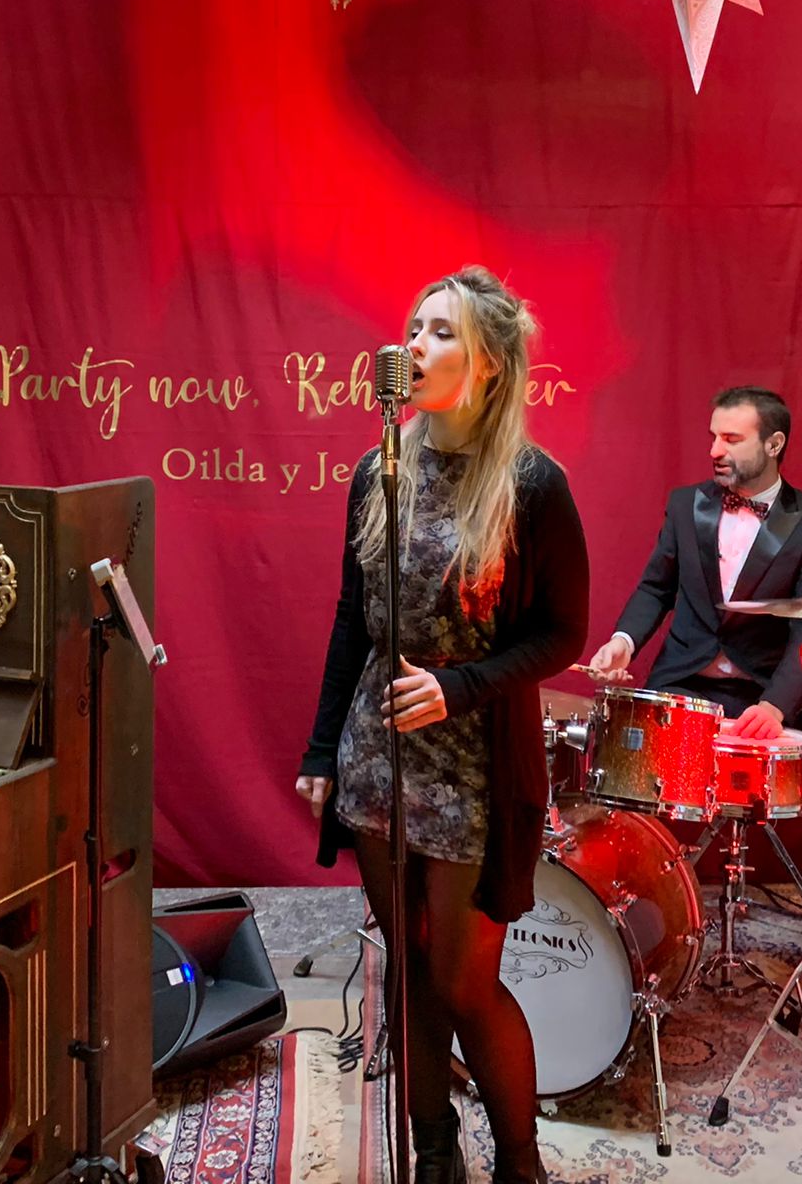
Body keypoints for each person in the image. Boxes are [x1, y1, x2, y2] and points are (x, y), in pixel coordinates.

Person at [297, 267, 588, 1184]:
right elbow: (355, 614)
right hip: (377, 753)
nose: (414, 347)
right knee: (410, 973)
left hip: (472, 762)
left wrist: (458, 688)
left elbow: (562, 636)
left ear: (491, 362)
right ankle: (433, 1157)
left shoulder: (534, 485)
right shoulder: (377, 467)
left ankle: (520, 1162)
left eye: (439, 333)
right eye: (413, 329)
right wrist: (319, 752)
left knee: (462, 978)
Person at [584, 386, 802, 736]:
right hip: (682, 683)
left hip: (761, 695)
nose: (715, 451)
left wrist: (776, 705)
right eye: (713, 437)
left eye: (731, 439)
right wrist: (623, 643)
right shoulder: (685, 505)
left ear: (774, 445)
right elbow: (656, 588)